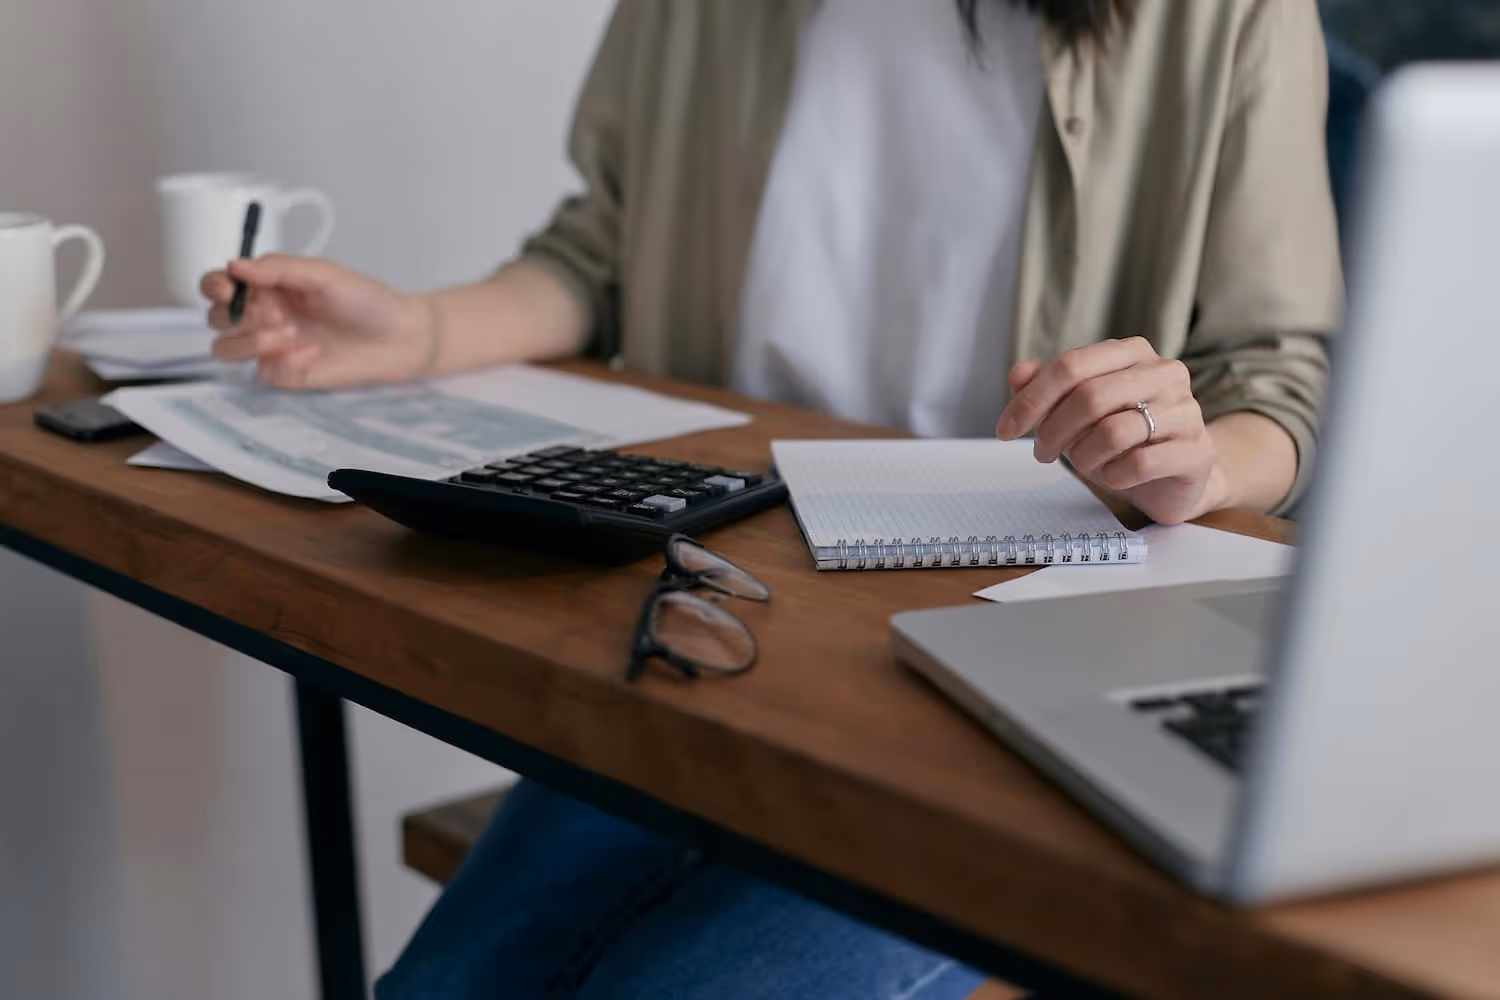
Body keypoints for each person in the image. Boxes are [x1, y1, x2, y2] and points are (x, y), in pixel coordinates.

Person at [201, 0, 1342, 996]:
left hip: (1017, 650)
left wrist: (1195, 463)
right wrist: (423, 330)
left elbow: (1277, 375)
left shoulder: (1224, 11)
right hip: (710, 609)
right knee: (441, 986)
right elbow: (602, 253)